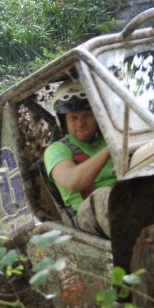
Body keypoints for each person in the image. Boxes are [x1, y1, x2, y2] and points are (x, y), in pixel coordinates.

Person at [44, 79, 116, 237]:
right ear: (64, 122)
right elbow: (72, 182)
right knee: (104, 196)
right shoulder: (57, 150)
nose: (81, 123)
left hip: (125, 199)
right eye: (73, 118)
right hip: (87, 216)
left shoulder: (109, 139)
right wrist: (110, 148)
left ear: (97, 116)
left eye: (87, 115)